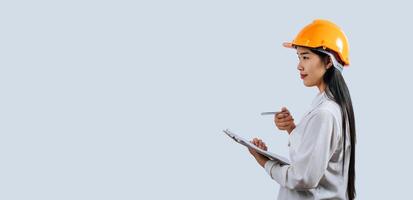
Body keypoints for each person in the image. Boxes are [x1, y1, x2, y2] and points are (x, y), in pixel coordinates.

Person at [248, 19, 356, 200]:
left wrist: (264, 162)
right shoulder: (327, 106)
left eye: (305, 57)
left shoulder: (325, 113)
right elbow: (314, 158)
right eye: (298, 57)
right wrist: (291, 128)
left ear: (328, 62)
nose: (299, 65)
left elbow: (303, 178)